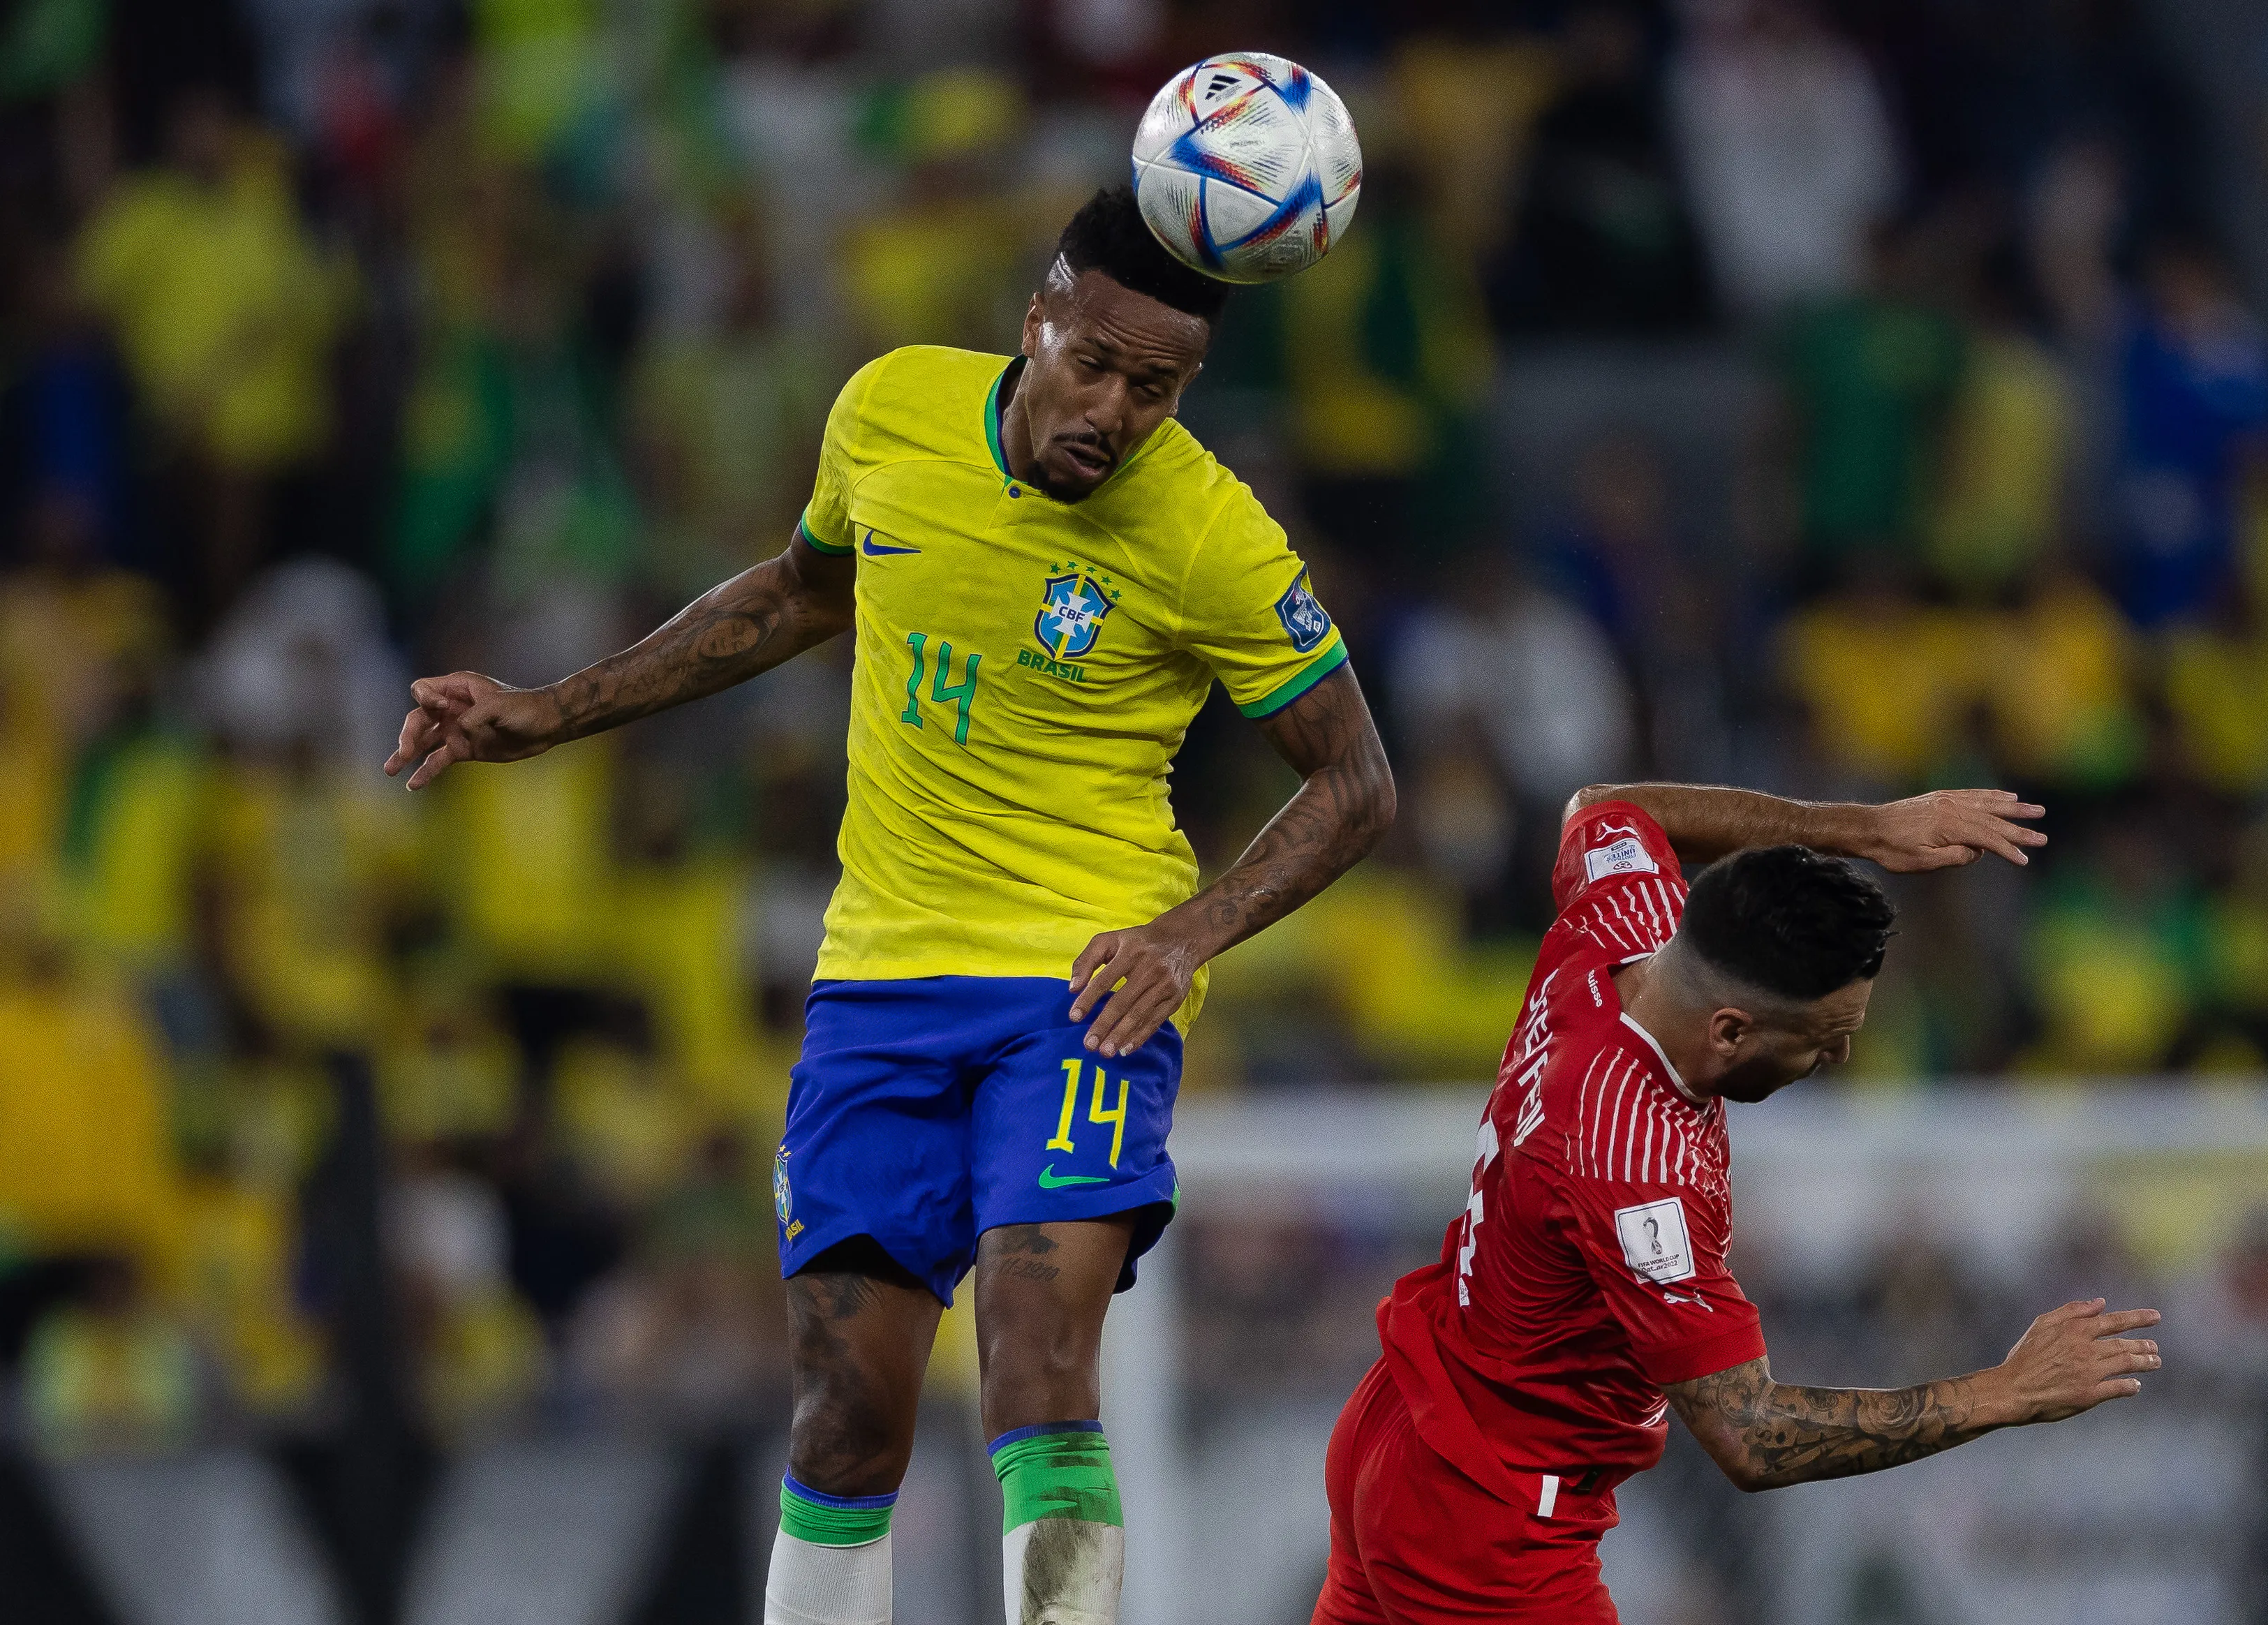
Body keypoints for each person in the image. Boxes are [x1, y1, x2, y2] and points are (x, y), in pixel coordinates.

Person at [385, 186, 1395, 1625]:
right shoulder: (891, 412)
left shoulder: (1214, 538)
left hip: (1080, 991)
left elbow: (1358, 783)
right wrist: (553, 713)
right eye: (1095, 365)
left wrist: (1188, 935)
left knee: (1037, 1367)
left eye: (1157, 388)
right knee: (844, 1420)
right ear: (1035, 321)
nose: (1117, 410)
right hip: (878, 986)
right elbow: (800, 595)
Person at [1313, 782, 2162, 1625]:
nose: (1841, 1053)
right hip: (1486, 1522)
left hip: (1409, 1415)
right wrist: (2004, 1394)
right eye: (1823, 1038)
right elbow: (1749, 1434)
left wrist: (1859, 828)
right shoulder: (1635, 1163)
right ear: (1729, 1032)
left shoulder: (1629, 922)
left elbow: (1603, 807)